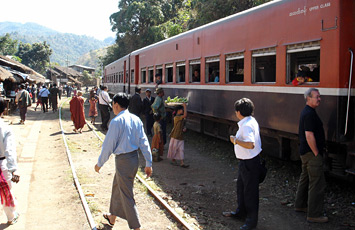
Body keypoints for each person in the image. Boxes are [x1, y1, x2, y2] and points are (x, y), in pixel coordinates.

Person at [94, 92, 153, 230]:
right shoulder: (136, 119)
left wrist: (99, 164)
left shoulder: (116, 122)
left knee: (126, 195)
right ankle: (112, 217)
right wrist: (148, 163)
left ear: (115, 105)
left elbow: (108, 145)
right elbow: (144, 142)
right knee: (117, 187)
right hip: (133, 159)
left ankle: (136, 227)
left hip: (123, 161)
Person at [223, 98, 262, 230]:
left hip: (249, 163)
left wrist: (235, 140)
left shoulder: (246, 125)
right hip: (246, 162)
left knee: (250, 192)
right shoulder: (251, 121)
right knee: (241, 188)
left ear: (239, 112)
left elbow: (250, 144)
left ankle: (251, 221)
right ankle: (241, 212)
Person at [295, 88, 328, 223]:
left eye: (319, 97)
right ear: (309, 98)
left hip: (305, 152)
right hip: (311, 153)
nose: (319, 99)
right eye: (317, 97)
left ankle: (300, 205)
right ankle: (314, 214)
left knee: (305, 178)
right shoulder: (309, 114)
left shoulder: (308, 112)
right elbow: (309, 135)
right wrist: (316, 152)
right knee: (317, 183)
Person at [0, 97, 20, 225]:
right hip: (2, 166)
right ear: (4, 110)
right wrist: (14, 169)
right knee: (6, 193)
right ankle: (11, 217)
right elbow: (9, 150)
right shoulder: (5, 128)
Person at [167, 103, 188, 168]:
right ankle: (173, 159)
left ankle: (182, 162)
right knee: (175, 148)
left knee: (181, 149)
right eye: (181, 110)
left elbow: (182, 125)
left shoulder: (179, 117)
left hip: (180, 135)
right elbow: (185, 115)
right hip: (176, 136)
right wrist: (184, 106)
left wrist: (184, 128)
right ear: (178, 111)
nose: (182, 111)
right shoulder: (177, 117)